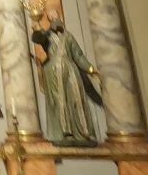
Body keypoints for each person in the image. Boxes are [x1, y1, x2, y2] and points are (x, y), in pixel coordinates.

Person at [30, 9, 101, 146]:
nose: (54, 20)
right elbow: (37, 38)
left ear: (61, 17)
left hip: (71, 71)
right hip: (53, 73)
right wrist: (37, 28)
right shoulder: (47, 36)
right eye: (51, 18)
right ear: (49, 21)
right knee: (58, 101)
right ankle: (63, 133)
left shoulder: (68, 37)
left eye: (55, 17)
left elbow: (78, 55)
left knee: (76, 99)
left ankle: (82, 133)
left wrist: (91, 69)